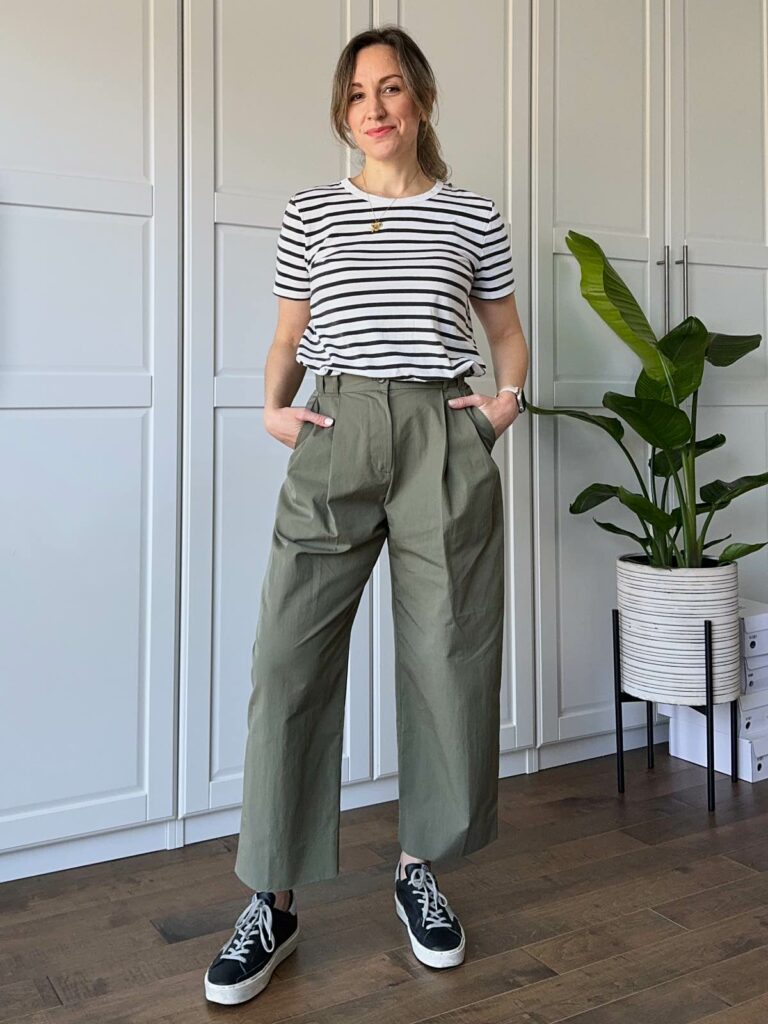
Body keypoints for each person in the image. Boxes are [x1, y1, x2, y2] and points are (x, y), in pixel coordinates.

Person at [204, 23, 529, 1006]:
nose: (374, 109)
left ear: (420, 99)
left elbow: (505, 333)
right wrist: (273, 406)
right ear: (342, 114)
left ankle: (419, 866)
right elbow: (289, 333)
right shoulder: (312, 211)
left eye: (389, 89)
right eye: (356, 96)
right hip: (336, 426)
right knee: (286, 656)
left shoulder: (474, 215)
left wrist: (503, 403)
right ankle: (274, 896)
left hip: (442, 430)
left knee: (448, 652)